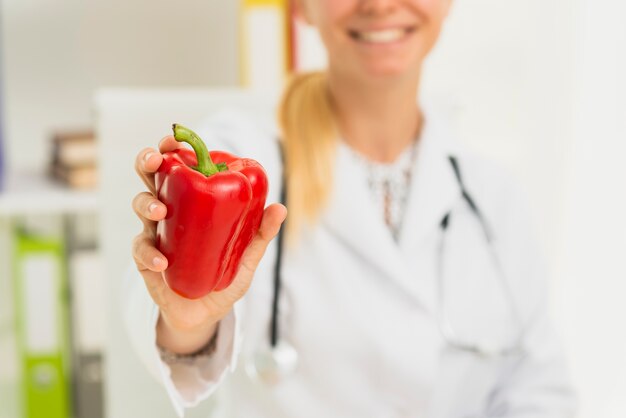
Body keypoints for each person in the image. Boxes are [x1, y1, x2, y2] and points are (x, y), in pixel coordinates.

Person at [127, 0, 576, 417]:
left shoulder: (493, 196)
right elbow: (172, 312)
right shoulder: (237, 162)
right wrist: (184, 319)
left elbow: (540, 393)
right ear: (301, 6)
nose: (379, 5)